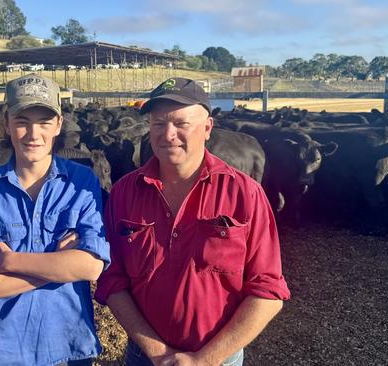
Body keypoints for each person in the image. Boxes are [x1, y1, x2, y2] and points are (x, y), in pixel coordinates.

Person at [95, 77, 290, 366]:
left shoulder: (244, 194)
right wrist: (157, 352)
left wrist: (204, 360)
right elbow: (112, 278)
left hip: (218, 358)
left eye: (181, 123)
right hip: (144, 357)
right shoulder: (125, 191)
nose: (167, 134)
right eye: (158, 124)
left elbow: (268, 290)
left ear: (208, 128)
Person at [0, 74, 110, 366]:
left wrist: (9, 264)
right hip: (8, 353)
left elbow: (91, 267)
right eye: (22, 121)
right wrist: (59, 265)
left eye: (44, 122)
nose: (33, 134)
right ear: (6, 124)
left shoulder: (83, 182)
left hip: (72, 348)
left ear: (59, 125)